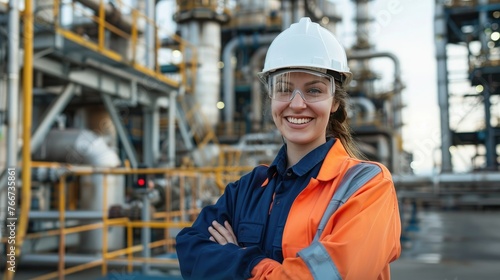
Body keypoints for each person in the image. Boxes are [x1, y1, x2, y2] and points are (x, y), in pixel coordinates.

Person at [176, 17, 401, 280]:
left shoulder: (367, 187)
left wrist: (246, 261)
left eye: (314, 90)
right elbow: (190, 250)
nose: (296, 104)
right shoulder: (247, 189)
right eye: (283, 89)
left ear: (335, 102)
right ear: (270, 97)